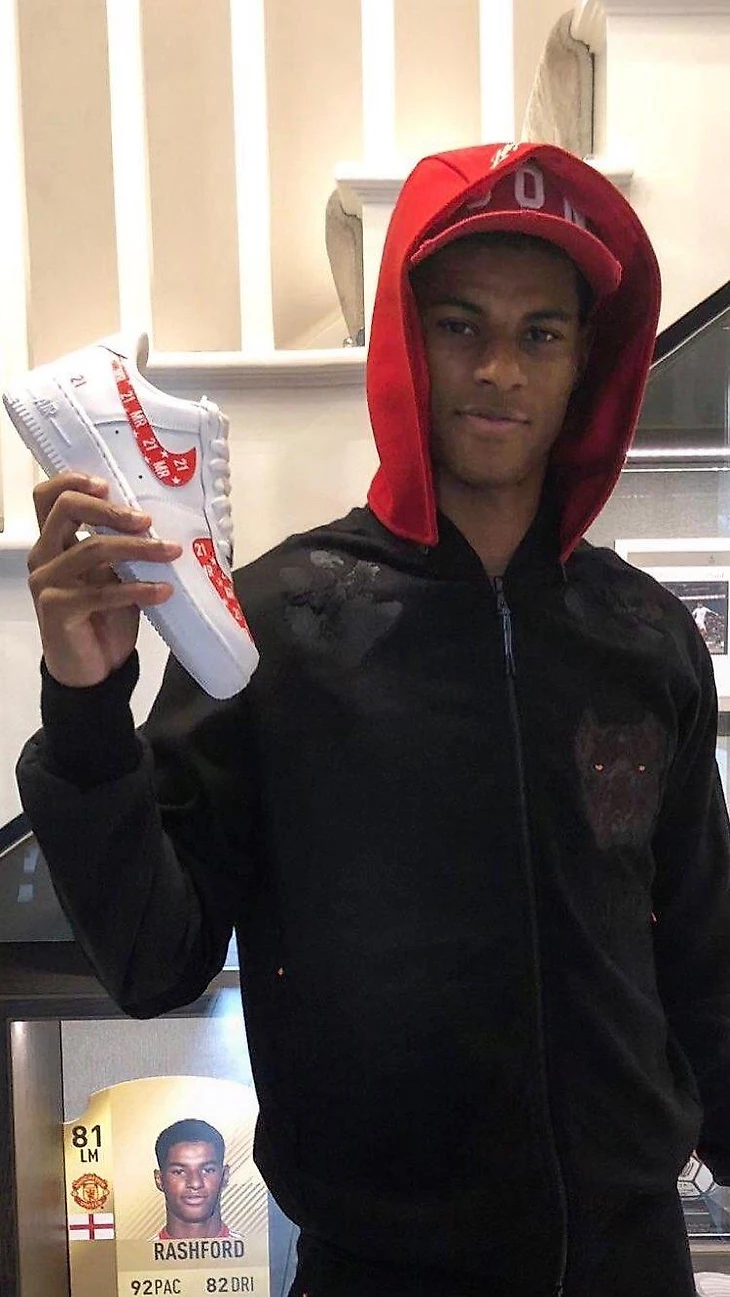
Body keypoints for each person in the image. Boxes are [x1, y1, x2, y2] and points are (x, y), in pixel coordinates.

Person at [15, 142, 730, 1296]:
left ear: (584, 360)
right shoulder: (276, 630)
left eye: (540, 333)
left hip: (630, 1261)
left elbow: (701, 957)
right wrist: (87, 707)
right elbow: (154, 958)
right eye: (460, 325)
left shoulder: (645, 638)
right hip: (379, 1267)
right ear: (405, 339)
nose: (498, 368)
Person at [152, 1118, 239, 1241]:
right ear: (159, 1180)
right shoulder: (138, 1253)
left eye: (208, 1170)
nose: (195, 1183)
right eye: (179, 1172)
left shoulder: (253, 1251)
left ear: (225, 1175)